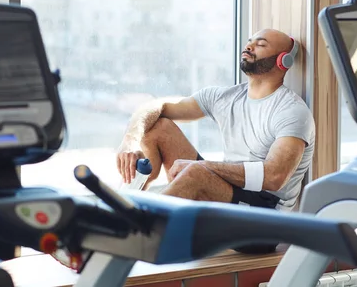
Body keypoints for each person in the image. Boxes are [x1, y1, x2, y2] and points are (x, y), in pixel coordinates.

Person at [116, 28, 315, 254]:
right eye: (249, 41)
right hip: (230, 196)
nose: (249, 46)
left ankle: (128, 235)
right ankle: (134, 200)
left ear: (283, 60)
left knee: (196, 173)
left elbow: (274, 177)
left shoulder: (292, 111)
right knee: (159, 127)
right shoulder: (225, 97)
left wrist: (201, 167)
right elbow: (156, 106)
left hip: (265, 221)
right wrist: (130, 141)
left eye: (261, 44)